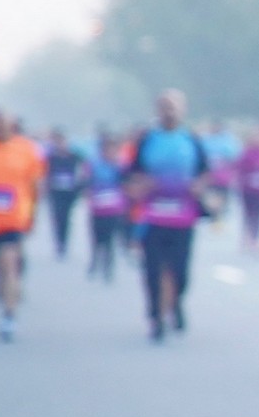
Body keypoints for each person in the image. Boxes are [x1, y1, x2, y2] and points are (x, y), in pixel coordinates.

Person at [126, 91, 208, 341]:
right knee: (153, 269)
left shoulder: (191, 140)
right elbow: (130, 174)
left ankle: (175, 302)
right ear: (157, 110)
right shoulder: (147, 140)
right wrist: (141, 185)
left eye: (174, 107)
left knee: (180, 272)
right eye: (164, 106)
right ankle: (156, 317)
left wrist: (199, 186)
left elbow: (205, 173)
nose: (169, 111)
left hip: (183, 216)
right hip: (153, 216)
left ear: (183, 110)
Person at [0, 109, 46, 341]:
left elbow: (36, 184)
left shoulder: (26, 149)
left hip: (12, 219)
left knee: (9, 264)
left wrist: (33, 214)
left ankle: (9, 315)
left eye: (4, 125)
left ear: (11, 126)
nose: (0, 129)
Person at [85, 131, 132, 282]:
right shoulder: (94, 166)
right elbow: (87, 184)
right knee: (97, 239)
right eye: (107, 150)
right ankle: (94, 262)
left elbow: (127, 185)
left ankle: (108, 269)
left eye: (113, 150)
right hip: (97, 209)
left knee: (110, 240)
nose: (110, 153)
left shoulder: (120, 167)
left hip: (114, 209)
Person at [42, 128, 86, 261]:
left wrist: (81, 186)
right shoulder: (51, 158)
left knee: (66, 218)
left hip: (70, 192)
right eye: (58, 142)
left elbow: (84, 169)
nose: (61, 145)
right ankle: (59, 242)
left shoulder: (75, 156)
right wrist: (45, 187)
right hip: (56, 192)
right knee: (57, 217)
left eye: (62, 142)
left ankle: (64, 242)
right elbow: (45, 173)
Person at [235, 126, 259, 250]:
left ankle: (256, 239)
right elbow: (239, 169)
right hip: (247, 189)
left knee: (258, 214)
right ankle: (246, 235)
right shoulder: (246, 153)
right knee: (247, 213)